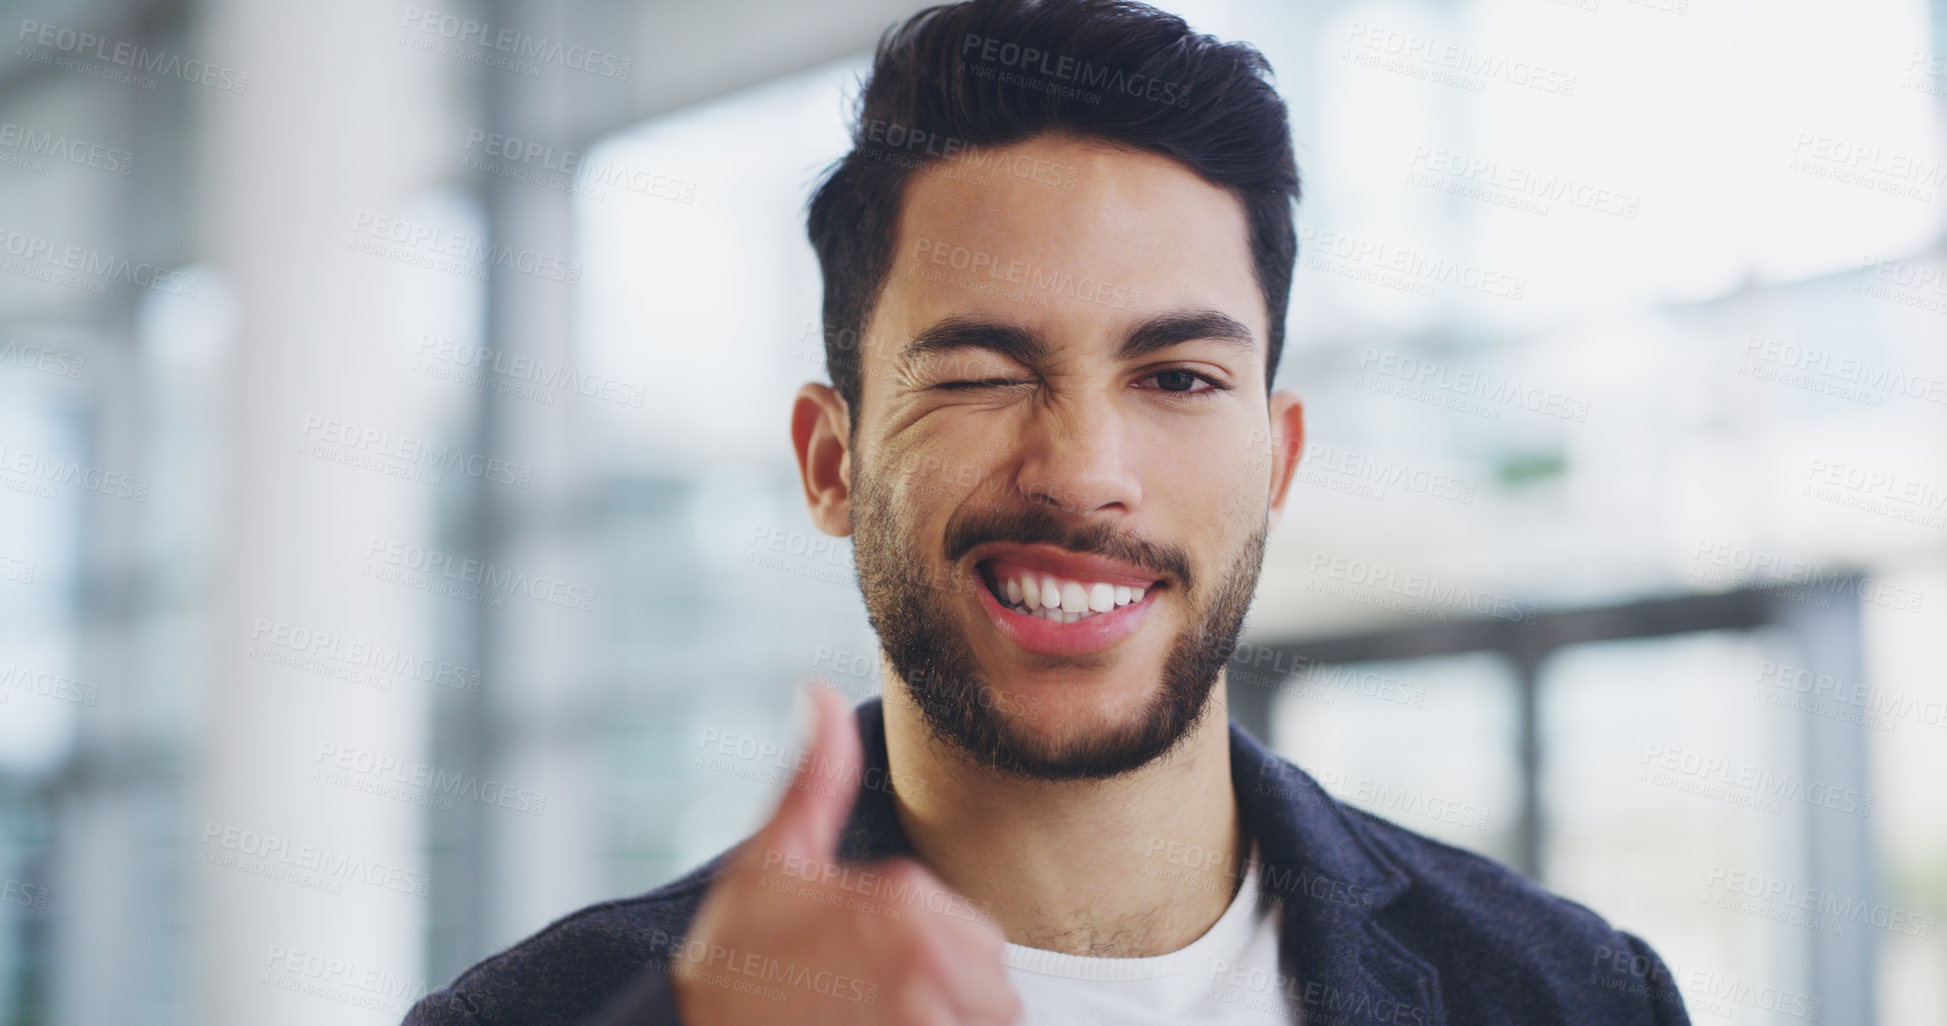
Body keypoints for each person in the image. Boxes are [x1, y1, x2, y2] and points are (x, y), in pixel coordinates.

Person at [405, 1, 1691, 1023]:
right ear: (829, 463)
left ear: (1278, 463)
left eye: (1178, 378)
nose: (1083, 470)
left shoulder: (1570, 994)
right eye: (980, 375)